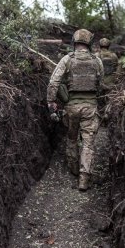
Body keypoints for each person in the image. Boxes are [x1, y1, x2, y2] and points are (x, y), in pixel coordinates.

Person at [47, 29, 104, 191]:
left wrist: (51, 101)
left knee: (72, 138)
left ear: (75, 42)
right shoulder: (96, 60)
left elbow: (53, 83)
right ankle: (84, 179)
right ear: (89, 43)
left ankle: (73, 168)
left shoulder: (67, 59)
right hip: (90, 107)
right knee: (88, 142)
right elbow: (100, 83)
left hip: (71, 107)